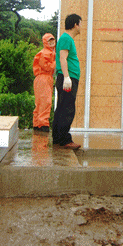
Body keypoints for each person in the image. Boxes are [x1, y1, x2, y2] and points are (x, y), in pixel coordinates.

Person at [52, 14, 82, 150]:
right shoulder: (66, 38)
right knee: (67, 109)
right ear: (75, 24)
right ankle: (65, 139)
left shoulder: (67, 39)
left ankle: (58, 138)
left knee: (62, 107)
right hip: (68, 79)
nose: (81, 27)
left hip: (67, 78)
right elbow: (62, 58)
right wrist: (66, 77)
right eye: (80, 24)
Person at [32, 33, 56, 133]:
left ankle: (37, 124)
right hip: (44, 77)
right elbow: (46, 66)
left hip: (42, 78)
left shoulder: (48, 52)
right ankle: (43, 124)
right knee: (46, 101)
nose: (52, 42)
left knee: (40, 102)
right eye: (49, 40)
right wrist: (56, 62)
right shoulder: (46, 52)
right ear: (45, 42)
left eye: (53, 40)